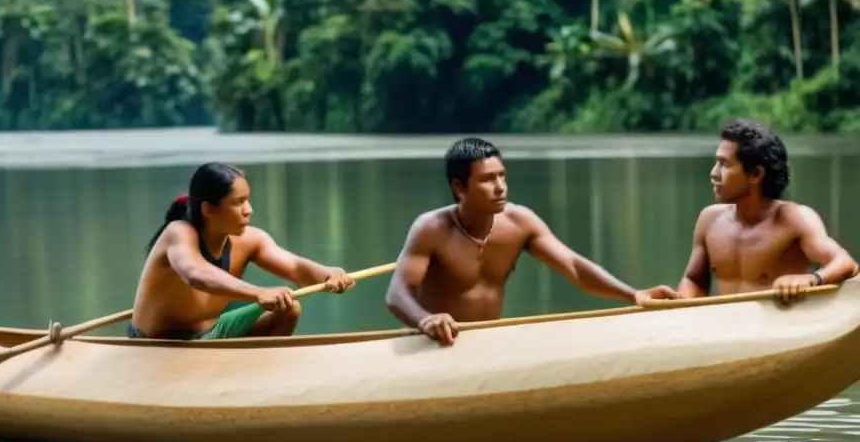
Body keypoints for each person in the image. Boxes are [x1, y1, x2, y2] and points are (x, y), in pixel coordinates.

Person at [385, 137, 679, 346]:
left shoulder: (519, 223)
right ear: (459, 187)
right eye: (488, 180)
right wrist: (425, 321)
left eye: (502, 176)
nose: (500, 187)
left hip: (488, 342)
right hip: (434, 344)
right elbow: (397, 294)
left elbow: (573, 266)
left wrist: (632, 295)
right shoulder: (431, 229)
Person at [129, 161, 354, 340]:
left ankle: (257, 381)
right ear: (208, 209)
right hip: (158, 344)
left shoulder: (251, 240)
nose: (249, 210)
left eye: (248, 201)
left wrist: (326, 274)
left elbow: (296, 268)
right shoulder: (178, 233)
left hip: (214, 333)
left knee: (288, 307)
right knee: (277, 302)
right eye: (239, 202)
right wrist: (257, 293)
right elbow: (196, 274)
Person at [674, 118, 857, 303]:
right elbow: (694, 280)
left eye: (724, 164)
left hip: (780, 327)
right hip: (727, 327)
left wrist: (812, 279)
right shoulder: (709, 219)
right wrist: (675, 301)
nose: (714, 173)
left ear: (756, 174)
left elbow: (845, 263)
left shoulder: (794, 219)